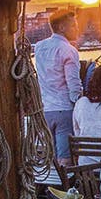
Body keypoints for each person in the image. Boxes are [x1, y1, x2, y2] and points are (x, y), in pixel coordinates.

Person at [32, 9, 82, 164]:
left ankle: (51, 185)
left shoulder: (39, 47)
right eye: (73, 26)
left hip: (45, 109)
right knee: (65, 156)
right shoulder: (68, 51)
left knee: (50, 154)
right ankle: (65, 186)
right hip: (64, 109)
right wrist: (80, 102)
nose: (77, 29)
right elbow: (73, 84)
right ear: (61, 27)